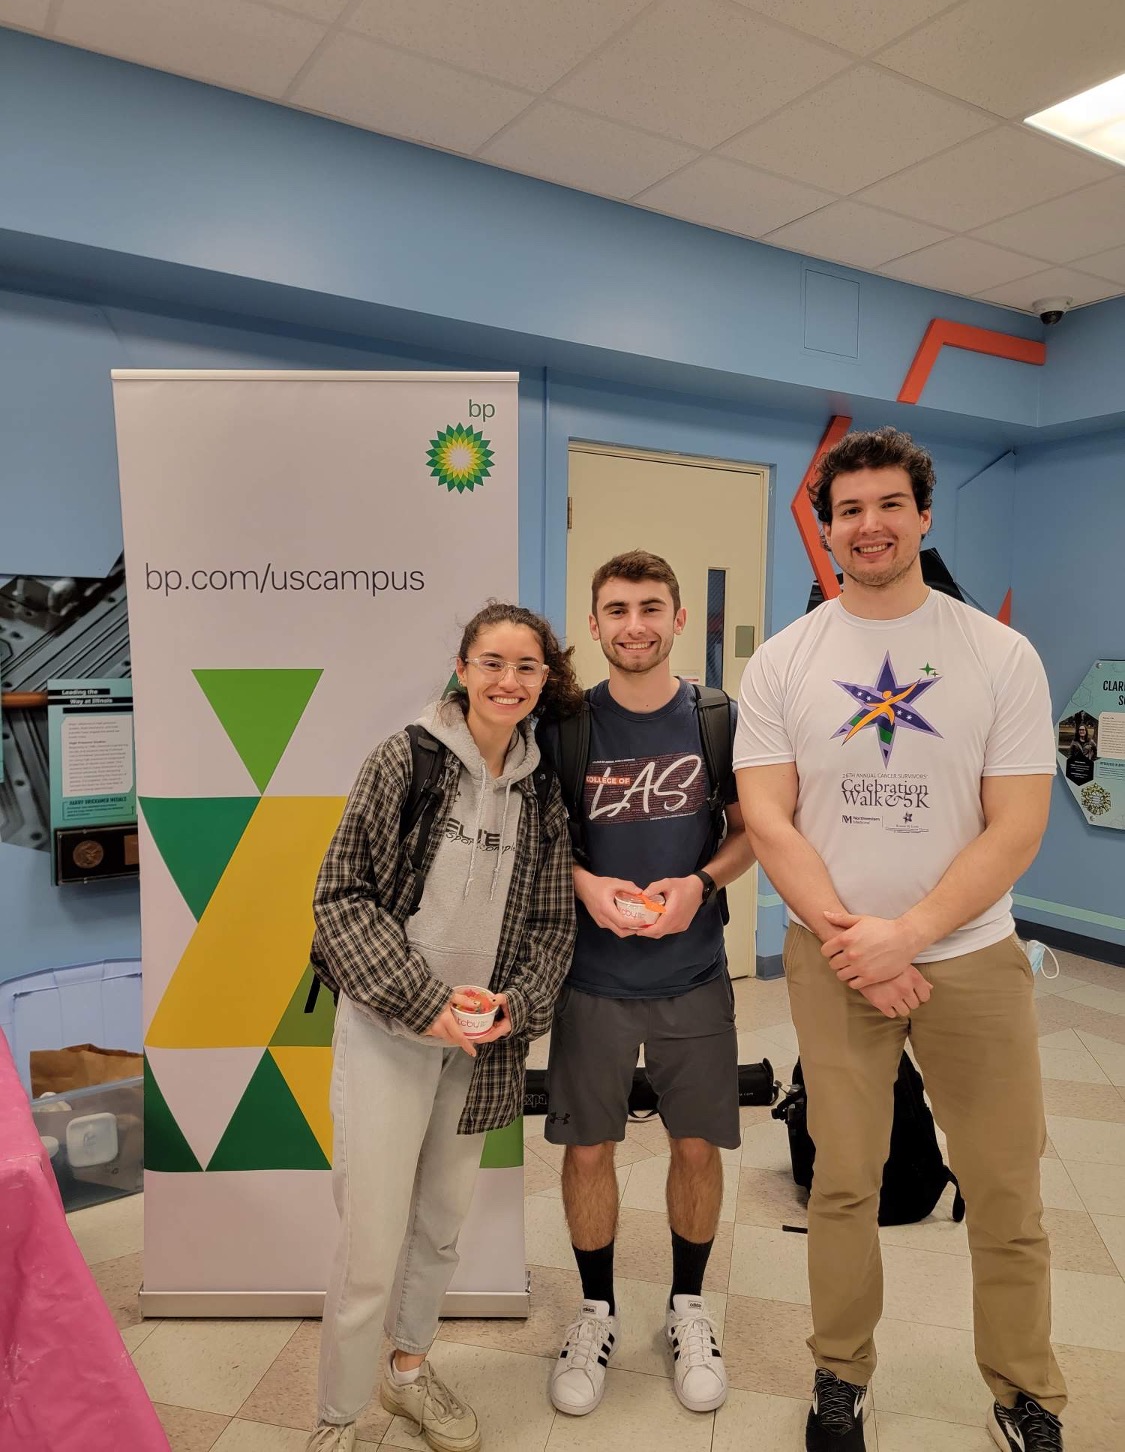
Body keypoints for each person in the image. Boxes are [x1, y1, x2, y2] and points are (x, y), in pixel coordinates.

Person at [734, 427, 1066, 1452]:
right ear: (826, 530)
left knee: (1005, 1185)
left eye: (888, 506)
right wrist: (853, 944)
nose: (868, 526)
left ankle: (1025, 1394)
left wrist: (911, 935)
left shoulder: (999, 653)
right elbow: (768, 817)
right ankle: (841, 1376)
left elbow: (1016, 822)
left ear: (923, 516)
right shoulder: (785, 659)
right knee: (843, 1180)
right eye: (848, 510)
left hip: (971, 957)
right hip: (832, 961)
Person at [305, 601, 581, 1452]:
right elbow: (340, 899)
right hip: (393, 1033)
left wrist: (510, 1009)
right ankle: (340, 1418)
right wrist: (426, 1006)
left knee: (441, 1225)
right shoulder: (405, 759)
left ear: (545, 679)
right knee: (370, 1241)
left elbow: (549, 925)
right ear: (462, 669)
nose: (509, 681)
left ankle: (408, 1377)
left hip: (482, 1047)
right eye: (492, 663)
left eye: (526, 666)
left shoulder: (540, 791)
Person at [536, 550, 755, 1419]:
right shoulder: (562, 727)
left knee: (695, 1144)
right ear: (592, 624)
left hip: (692, 971)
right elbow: (539, 841)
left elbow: (751, 833)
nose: (635, 623)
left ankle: (686, 1309)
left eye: (651, 607)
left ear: (675, 621)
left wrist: (701, 884)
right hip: (588, 979)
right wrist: (584, 885)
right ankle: (595, 1311)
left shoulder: (716, 720)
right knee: (586, 1148)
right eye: (617, 608)